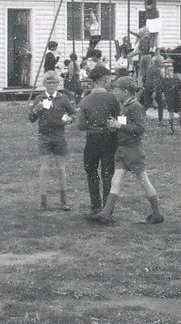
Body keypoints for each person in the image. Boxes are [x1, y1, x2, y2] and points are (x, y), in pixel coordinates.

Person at [90, 77, 164, 225]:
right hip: (122, 150)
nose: (114, 93)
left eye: (116, 90)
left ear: (125, 91)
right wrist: (115, 125)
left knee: (144, 181)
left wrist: (119, 126)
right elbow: (127, 126)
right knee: (116, 181)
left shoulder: (135, 107)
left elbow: (140, 129)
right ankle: (105, 213)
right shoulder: (126, 106)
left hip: (133, 151)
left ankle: (157, 213)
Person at [29, 70, 77, 210]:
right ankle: (43, 202)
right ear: (44, 83)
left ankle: (64, 201)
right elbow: (31, 119)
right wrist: (36, 110)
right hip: (44, 136)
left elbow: (73, 113)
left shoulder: (63, 98)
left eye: (54, 82)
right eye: (49, 82)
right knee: (44, 168)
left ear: (58, 84)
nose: (51, 85)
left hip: (59, 136)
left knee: (61, 168)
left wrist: (69, 119)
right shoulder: (39, 98)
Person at [77, 65, 121, 215]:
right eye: (109, 79)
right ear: (104, 80)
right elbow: (120, 118)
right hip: (110, 138)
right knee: (108, 174)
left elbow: (81, 126)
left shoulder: (85, 100)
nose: (110, 82)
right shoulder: (112, 98)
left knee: (91, 172)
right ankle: (107, 209)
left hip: (92, 139)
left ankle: (95, 206)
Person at [159, 62, 181, 134]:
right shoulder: (164, 80)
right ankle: (171, 129)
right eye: (169, 70)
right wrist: (174, 87)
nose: (171, 72)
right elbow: (165, 89)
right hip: (170, 97)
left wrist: (178, 88)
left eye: (172, 70)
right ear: (166, 71)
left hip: (177, 97)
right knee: (171, 112)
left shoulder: (176, 78)